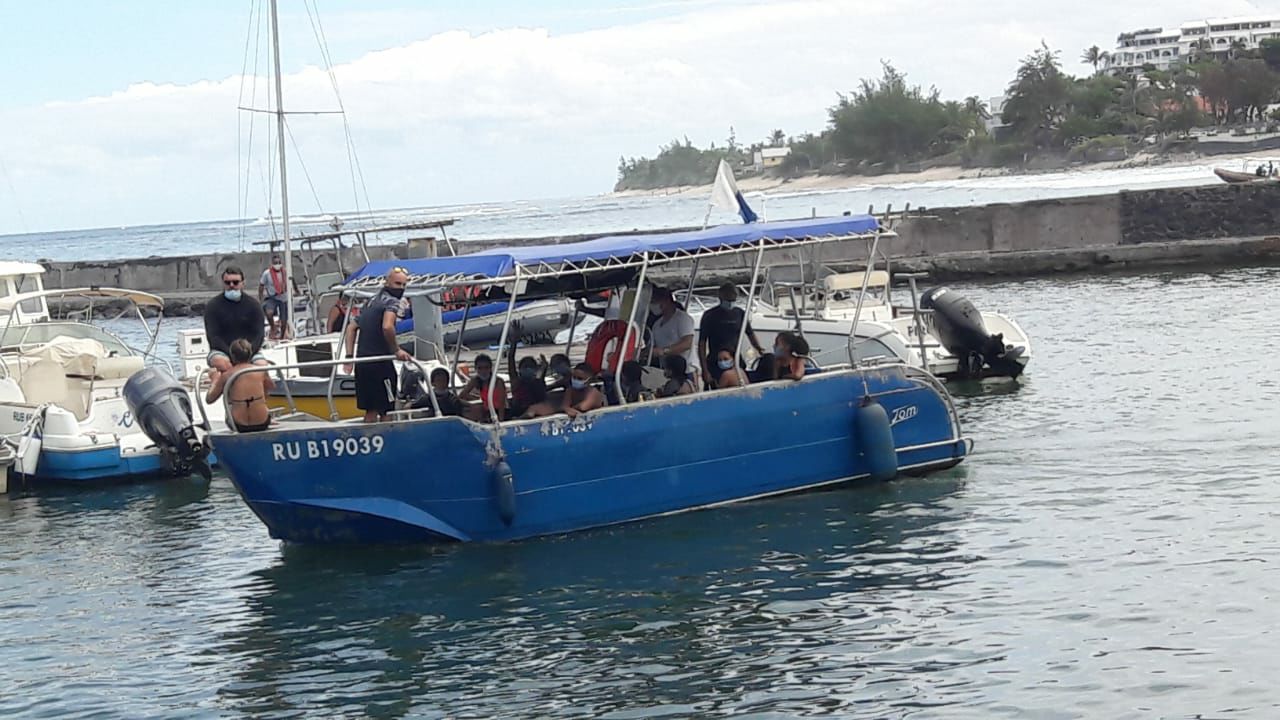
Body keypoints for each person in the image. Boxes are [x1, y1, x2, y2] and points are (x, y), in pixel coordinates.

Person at [345, 267, 412, 423]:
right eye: (397, 284)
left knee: (370, 410)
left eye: (404, 285)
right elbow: (387, 326)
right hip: (380, 364)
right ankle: (388, 436)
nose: (401, 288)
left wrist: (349, 357)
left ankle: (370, 436)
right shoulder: (392, 301)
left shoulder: (371, 301)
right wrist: (397, 350)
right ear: (387, 282)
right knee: (386, 409)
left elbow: (351, 328)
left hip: (363, 363)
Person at [204, 266, 267, 383]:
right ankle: (231, 388)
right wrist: (232, 355)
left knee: (261, 365)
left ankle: (257, 391)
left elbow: (259, 334)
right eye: (228, 282)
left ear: (243, 283)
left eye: (235, 282)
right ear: (223, 283)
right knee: (222, 363)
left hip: (249, 351)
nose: (231, 285)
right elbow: (213, 337)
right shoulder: (212, 306)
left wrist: (247, 354)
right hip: (222, 351)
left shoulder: (254, 305)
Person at [698, 282, 765, 387]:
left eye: (733, 300)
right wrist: (704, 369)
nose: (730, 303)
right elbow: (702, 343)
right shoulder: (709, 315)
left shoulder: (740, 313)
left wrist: (759, 349)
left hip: (736, 359)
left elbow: (750, 334)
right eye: (728, 300)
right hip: (715, 361)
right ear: (720, 296)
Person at [205, 338, 275, 432]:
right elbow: (271, 387)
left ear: (232, 356)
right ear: (250, 354)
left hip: (238, 425)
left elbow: (210, 399)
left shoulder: (227, 375)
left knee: (229, 393)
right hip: (262, 423)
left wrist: (214, 380)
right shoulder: (260, 371)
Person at [647, 287, 698, 377]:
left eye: (655, 302)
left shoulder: (682, 318)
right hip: (666, 371)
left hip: (685, 371)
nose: (653, 305)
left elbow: (687, 343)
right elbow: (653, 346)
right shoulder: (656, 325)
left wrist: (664, 351)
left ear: (667, 301)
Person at [258, 254, 299, 340]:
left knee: (284, 320)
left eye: (279, 262)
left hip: (284, 298)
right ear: (272, 264)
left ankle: (282, 336)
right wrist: (260, 298)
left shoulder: (286, 272)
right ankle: (273, 327)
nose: (277, 264)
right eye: (275, 263)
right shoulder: (267, 273)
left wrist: (296, 290)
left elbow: (292, 280)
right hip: (273, 297)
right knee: (269, 312)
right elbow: (261, 285)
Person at [507, 331, 547, 417]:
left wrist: (544, 366)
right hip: (517, 413)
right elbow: (510, 358)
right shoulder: (516, 381)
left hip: (537, 414)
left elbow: (542, 372)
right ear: (520, 370)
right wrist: (514, 342)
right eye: (525, 367)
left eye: (531, 367)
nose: (528, 369)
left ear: (535, 369)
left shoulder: (538, 381)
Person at [460, 354, 507, 422]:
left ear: (490, 368)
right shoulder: (476, 380)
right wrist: (472, 403)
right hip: (487, 411)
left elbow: (501, 404)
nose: (483, 371)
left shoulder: (498, 381)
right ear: (475, 369)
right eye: (480, 368)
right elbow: (462, 395)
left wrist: (500, 421)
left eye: (486, 367)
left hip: (501, 413)